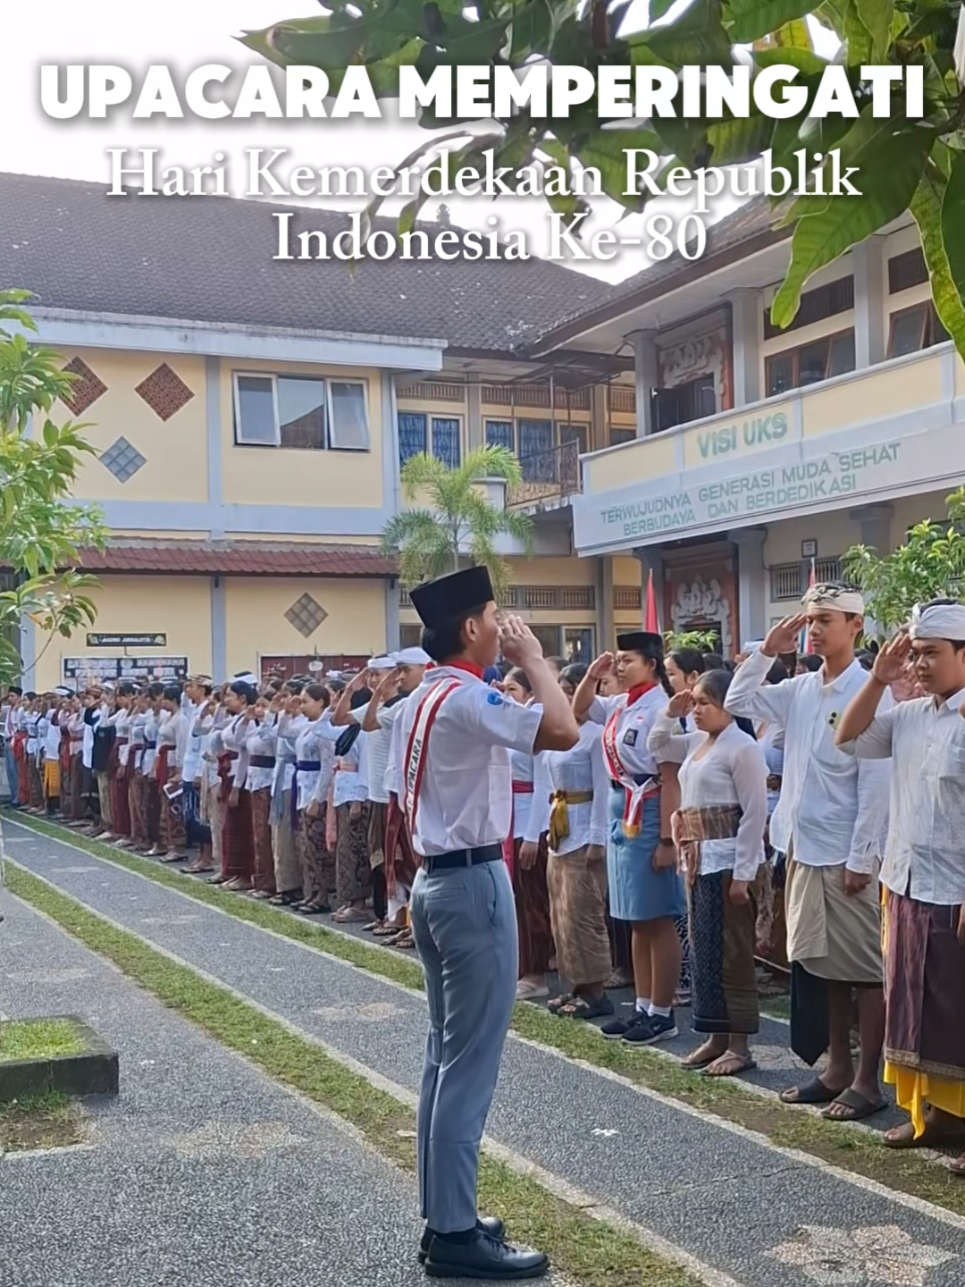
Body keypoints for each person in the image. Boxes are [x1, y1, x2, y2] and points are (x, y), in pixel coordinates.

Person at [400, 563, 577, 1279]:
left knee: (444, 1056)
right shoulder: (468, 697)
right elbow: (561, 729)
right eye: (495, 619)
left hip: (432, 880)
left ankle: (444, 1210)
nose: (503, 630)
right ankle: (454, 1231)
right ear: (470, 627)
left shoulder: (422, 694)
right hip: (471, 881)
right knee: (467, 1065)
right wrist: (534, 659)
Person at [725, 584, 891, 1121]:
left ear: (855, 627)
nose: (814, 629)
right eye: (810, 620)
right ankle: (837, 1067)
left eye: (826, 619)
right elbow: (737, 702)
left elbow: (876, 784)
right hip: (802, 846)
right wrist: (766, 652)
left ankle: (869, 1079)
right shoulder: (800, 688)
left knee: (864, 969)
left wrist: (862, 858)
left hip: (845, 854)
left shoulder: (871, 690)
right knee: (823, 966)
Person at [835, 600, 965, 1171]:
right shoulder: (909, 715)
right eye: (915, 654)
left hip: (956, 889)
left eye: (932, 654)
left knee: (957, 1008)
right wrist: (879, 680)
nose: (919, 665)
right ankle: (928, 1117)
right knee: (910, 1003)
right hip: (906, 882)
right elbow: (848, 737)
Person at [650, 671, 768, 1077]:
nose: (697, 710)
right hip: (698, 860)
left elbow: (754, 813)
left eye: (705, 703)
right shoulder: (699, 742)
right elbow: (658, 745)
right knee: (704, 951)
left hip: (727, 858)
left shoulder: (743, 748)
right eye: (695, 703)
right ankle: (715, 1035)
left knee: (733, 952)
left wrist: (744, 872)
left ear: (726, 705)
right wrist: (670, 712)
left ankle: (740, 1044)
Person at [573, 633, 686, 1045]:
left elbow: (671, 776)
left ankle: (662, 1011)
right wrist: (591, 674)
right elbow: (580, 708)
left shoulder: (663, 708)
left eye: (628, 660)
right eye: (617, 660)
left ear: (651, 664)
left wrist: (668, 840)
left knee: (658, 917)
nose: (620, 667)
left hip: (652, 808)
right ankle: (641, 1004)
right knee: (635, 918)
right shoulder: (622, 704)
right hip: (623, 809)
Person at [538, 664, 612, 1019]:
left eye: (572, 690)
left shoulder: (596, 735)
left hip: (583, 829)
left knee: (583, 912)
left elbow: (602, 789)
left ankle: (596, 990)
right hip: (560, 828)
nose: (566, 697)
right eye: (562, 689)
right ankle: (574, 985)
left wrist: (598, 839)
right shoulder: (558, 732)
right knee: (562, 913)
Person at [501, 667, 554, 1002]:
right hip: (507, 821)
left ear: (530, 693)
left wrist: (533, 834)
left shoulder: (535, 723)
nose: (506, 696)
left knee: (531, 900)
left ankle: (536, 972)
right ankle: (521, 965)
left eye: (512, 690)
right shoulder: (508, 723)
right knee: (516, 899)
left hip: (527, 822)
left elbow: (542, 784)